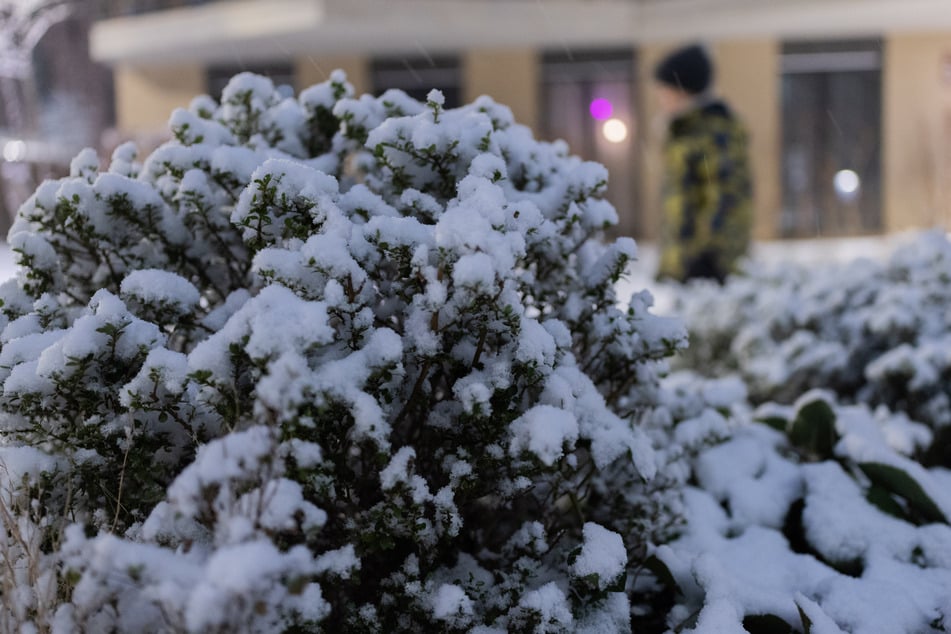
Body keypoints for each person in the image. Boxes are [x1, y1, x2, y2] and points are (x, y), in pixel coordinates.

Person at [654, 44, 752, 284]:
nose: (660, 97)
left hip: (707, 268)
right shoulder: (685, 131)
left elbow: (725, 195)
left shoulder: (711, 134)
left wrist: (708, 258)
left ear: (683, 90)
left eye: (665, 90)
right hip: (686, 265)